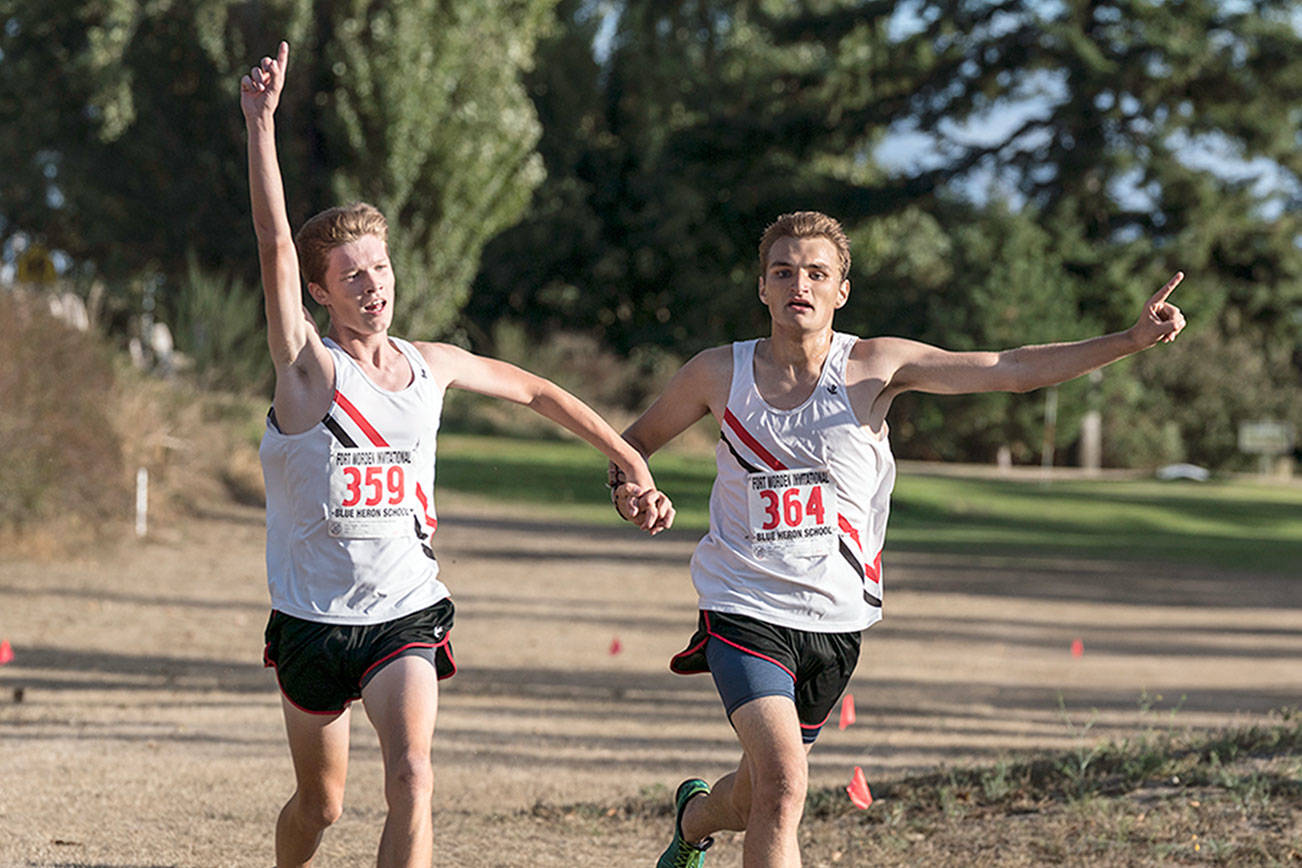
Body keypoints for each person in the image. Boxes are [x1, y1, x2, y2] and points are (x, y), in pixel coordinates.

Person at [610, 210, 1186, 868]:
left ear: (841, 290)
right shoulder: (717, 374)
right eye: (784, 272)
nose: (800, 283)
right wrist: (632, 490)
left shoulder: (875, 366)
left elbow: (1011, 367)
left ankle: (694, 819)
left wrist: (1131, 339)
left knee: (760, 794)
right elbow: (632, 446)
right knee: (784, 784)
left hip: (836, 619)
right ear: (762, 289)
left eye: (817, 273)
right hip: (744, 604)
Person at [240, 42, 671, 868]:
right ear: (321, 293)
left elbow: (538, 392)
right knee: (321, 805)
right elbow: (273, 246)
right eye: (352, 275)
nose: (374, 285)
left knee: (414, 776)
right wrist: (261, 124)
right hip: (313, 622)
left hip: (404, 611)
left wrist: (630, 457)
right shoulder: (307, 371)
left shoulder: (431, 364)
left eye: (381, 267)